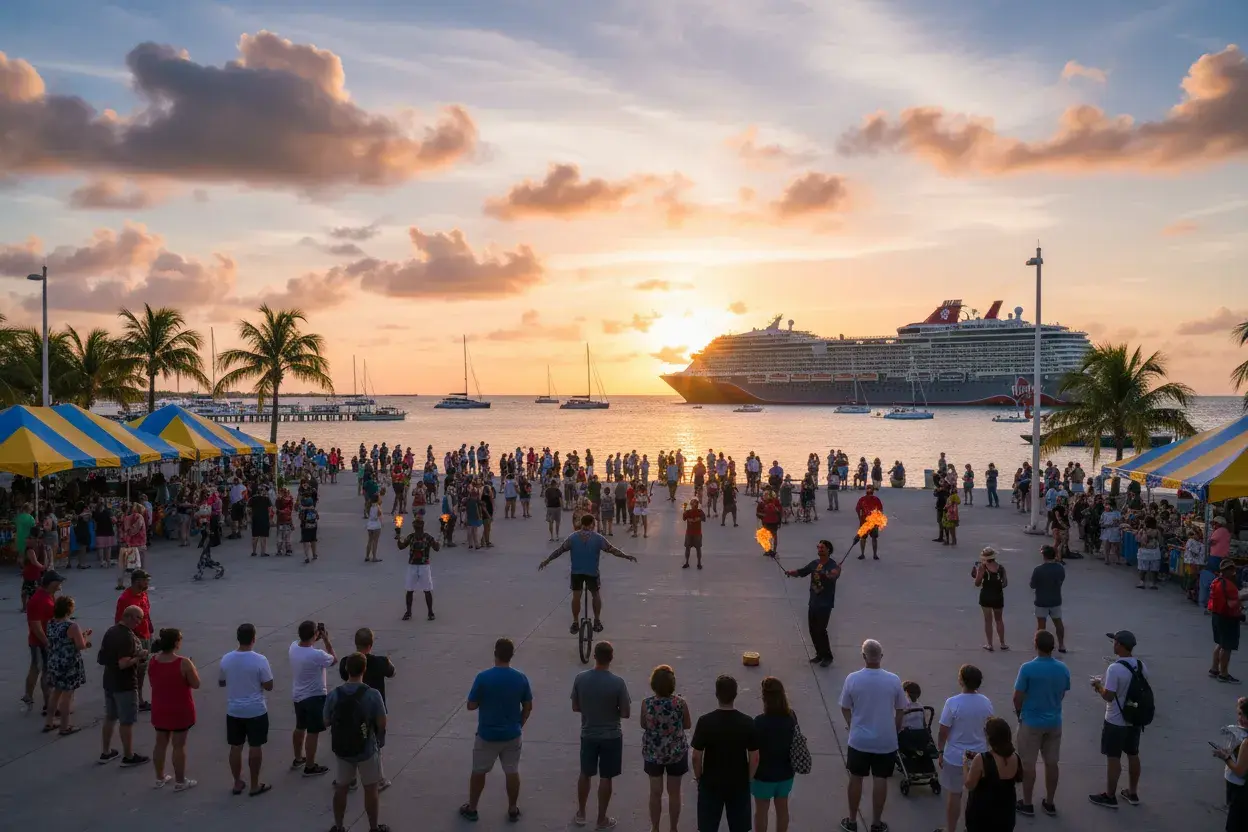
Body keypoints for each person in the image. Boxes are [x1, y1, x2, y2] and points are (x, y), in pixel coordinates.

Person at [837, 639, 907, 832]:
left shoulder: (853, 678)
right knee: (880, 778)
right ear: (881, 657)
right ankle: (876, 822)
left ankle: (852, 820)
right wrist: (895, 728)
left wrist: (853, 726)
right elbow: (900, 709)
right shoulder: (893, 679)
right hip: (885, 741)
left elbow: (845, 707)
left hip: (859, 740)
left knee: (856, 777)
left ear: (863, 656)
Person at [461, 638, 532, 823]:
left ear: (495, 654)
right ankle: (512, 808)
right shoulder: (520, 678)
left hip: (487, 735)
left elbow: (471, 705)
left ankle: (473, 808)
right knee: (512, 771)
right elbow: (528, 705)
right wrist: (520, 723)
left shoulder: (483, 678)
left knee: (479, 771)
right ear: (511, 655)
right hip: (512, 734)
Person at [539, 514, 637, 634]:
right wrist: (626, 556)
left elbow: (559, 551)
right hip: (592, 572)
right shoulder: (598, 538)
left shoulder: (573, 537)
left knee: (576, 596)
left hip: (576, 572)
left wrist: (547, 560)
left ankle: (575, 622)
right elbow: (612, 550)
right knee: (595, 594)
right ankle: (597, 620)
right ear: (591, 524)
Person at [324, 653, 389, 832]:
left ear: (346, 670)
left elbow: (326, 721)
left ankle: (338, 826)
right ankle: (374, 828)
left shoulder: (334, 695)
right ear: (364, 670)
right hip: (367, 748)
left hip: (343, 750)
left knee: (341, 788)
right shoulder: (372, 694)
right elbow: (382, 723)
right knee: (371, 789)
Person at [571, 641, 631, 828]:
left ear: (594, 656)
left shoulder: (580, 678)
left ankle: (581, 813)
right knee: (606, 777)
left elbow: (575, 706)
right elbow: (625, 713)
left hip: (588, 733)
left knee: (585, 773)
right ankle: (601, 818)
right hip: (611, 735)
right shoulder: (618, 683)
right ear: (611, 658)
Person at [692, 674, 759, 832]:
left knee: (708, 827)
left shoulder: (705, 721)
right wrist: (748, 779)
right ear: (735, 695)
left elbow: (696, 756)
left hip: (711, 782)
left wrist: (699, 777)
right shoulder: (747, 722)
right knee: (739, 827)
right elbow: (755, 757)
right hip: (738, 782)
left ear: (716, 695)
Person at [1013, 630, 1069, 817]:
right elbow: (1062, 693)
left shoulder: (1027, 668)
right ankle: (1050, 802)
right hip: (1054, 721)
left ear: (1035, 644)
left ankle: (1027, 803)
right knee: (1052, 763)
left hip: (1031, 721)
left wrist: (1020, 713)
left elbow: (1017, 696)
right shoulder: (1062, 668)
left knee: (1028, 764)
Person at [1089, 630, 1147, 809]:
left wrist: (1098, 686)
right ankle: (1133, 792)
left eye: (1114, 642)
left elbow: (1109, 696)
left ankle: (1110, 795)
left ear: (1120, 645)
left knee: (1113, 758)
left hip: (1115, 720)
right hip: (1134, 719)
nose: (1113, 645)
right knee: (1133, 754)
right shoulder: (1141, 665)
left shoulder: (1114, 669)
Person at [937, 664, 994, 832]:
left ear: (961, 681)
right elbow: (989, 728)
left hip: (955, 756)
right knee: (976, 796)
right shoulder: (986, 702)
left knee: (954, 795)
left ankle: (951, 829)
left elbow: (943, 731)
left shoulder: (953, 703)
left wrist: (940, 751)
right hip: (979, 757)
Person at [220, 622, 274, 796]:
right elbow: (269, 685)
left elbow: (222, 681)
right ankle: (255, 784)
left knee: (235, 746)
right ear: (254, 638)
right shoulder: (260, 659)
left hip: (234, 709)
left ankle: (237, 782)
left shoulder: (226, 658)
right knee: (255, 745)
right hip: (255, 709)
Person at [149, 627, 201, 791]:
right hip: (180, 708)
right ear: (176, 642)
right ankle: (180, 781)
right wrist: (193, 667)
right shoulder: (184, 662)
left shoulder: (153, 660)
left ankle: (159, 777)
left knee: (160, 743)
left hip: (160, 707)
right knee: (179, 746)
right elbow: (196, 684)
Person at [641, 664, 691, 832]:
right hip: (676, 752)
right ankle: (673, 828)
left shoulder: (646, 704)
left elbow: (643, 724)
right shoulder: (680, 703)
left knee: (655, 792)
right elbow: (687, 725)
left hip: (653, 753)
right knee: (674, 793)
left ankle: (655, 828)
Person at [99, 604, 150, 767]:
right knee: (126, 721)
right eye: (138, 618)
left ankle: (106, 752)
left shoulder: (111, 631)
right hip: (125, 684)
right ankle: (128, 756)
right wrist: (139, 656)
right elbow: (123, 663)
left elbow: (103, 657)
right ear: (128, 617)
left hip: (109, 681)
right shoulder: (126, 636)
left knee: (110, 717)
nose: (140, 622)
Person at [289, 620, 336, 777]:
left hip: (298, 695)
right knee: (313, 731)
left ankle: (298, 758)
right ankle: (310, 765)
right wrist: (326, 640)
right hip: (314, 696)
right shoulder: (317, 655)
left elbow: (306, 643)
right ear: (315, 634)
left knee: (300, 727)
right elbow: (333, 659)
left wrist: (315, 636)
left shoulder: (293, 647)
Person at [784, 540, 840, 667]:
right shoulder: (815, 563)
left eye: (822, 548)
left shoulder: (833, 565)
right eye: (819, 547)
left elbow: (834, 576)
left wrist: (828, 574)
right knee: (812, 630)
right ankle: (819, 654)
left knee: (821, 629)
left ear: (828, 550)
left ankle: (827, 656)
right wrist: (790, 572)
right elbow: (802, 571)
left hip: (825, 603)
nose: (819, 549)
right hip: (813, 602)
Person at [753, 677, 798, 832]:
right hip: (786, 773)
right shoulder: (791, 717)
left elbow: (754, 753)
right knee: (782, 808)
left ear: (765, 698)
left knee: (761, 811)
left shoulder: (759, 722)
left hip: (763, 775)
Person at [963, 717, 1023, 831]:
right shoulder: (1015, 757)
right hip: (1006, 813)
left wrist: (965, 765)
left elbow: (969, 784)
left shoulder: (981, 759)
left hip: (982, 815)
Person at [43, 593, 89, 735]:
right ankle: (64, 726)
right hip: (69, 664)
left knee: (56, 693)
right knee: (67, 695)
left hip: (54, 662)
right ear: (69, 610)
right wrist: (85, 637)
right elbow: (81, 646)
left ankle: (49, 722)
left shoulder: (51, 623)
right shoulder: (72, 626)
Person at [115, 569, 154, 711]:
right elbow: (119, 621)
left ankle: (138, 698)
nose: (147, 583)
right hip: (134, 638)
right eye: (145, 580)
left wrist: (150, 631)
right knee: (134, 671)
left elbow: (147, 615)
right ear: (137, 581)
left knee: (142, 670)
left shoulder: (143, 594)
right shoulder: (125, 599)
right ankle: (136, 700)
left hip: (146, 636)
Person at [24, 569, 61, 715]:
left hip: (46, 639)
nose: (60, 584)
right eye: (58, 582)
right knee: (40, 669)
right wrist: (47, 643)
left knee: (43, 669)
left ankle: (38, 699)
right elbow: (35, 625)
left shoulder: (49, 595)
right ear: (51, 583)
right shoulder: (37, 600)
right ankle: (38, 700)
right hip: (40, 641)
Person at [1212, 696, 1248, 832]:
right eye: (1239, 714)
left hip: (1241, 791)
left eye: (1243, 715)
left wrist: (1225, 758)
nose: (1241, 719)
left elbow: (1240, 771)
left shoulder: (1247, 742)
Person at [399, 509, 441, 621]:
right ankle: (410, 612)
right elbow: (401, 546)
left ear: (421, 526)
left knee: (424, 590)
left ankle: (429, 612)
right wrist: (398, 535)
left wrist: (438, 539)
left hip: (422, 566)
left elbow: (436, 548)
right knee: (411, 590)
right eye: (416, 525)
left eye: (418, 525)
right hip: (416, 565)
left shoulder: (422, 537)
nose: (417, 527)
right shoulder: (415, 537)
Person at [1209, 560, 1243, 683]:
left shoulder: (1216, 582)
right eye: (1231, 570)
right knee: (1227, 647)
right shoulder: (1229, 586)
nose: (1234, 572)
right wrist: (1241, 600)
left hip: (1216, 615)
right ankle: (1223, 673)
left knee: (1219, 643)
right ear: (1227, 571)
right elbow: (1232, 604)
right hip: (1227, 618)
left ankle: (1214, 669)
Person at [1031, 545, 1067, 653]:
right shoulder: (1060, 568)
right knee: (1058, 622)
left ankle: (1041, 646)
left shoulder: (1038, 569)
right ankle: (1061, 644)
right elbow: (1061, 580)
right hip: (1055, 599)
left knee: (1041, 626)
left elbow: (1032, 585)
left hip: (1041, 600)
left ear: (1044, 556)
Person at [972, 548, 1008, 652]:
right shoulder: (1001, 568)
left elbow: (977, 583)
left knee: (988, 621)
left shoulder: (983, 568)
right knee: (999, 620)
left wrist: (977, 574)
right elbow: (1005, 583)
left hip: (986, 597)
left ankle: (990, 644)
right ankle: (1002, 643)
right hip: (998, 597)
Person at [854, 485, 883, 560]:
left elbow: (857, 509)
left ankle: (864, 554)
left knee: (866, 538)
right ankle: (873, 555)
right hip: (869, 522)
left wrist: (860, 519)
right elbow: (880, 511)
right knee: (871, 538)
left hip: (868, 522)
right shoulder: (875, 499)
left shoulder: (863, 499)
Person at [1135, 515, 1163, 590]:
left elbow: (1137, 540)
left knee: (1142, 568)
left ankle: (1142, 582)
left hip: (1144, 551)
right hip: (1154, 552)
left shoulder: (1142, 530)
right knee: (1154, 569)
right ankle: (1152, 583)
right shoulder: (1157, 531)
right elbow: (1160, 542)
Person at [249, 484, 273, 556]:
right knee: (263, 537)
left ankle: (254, 552)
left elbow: (248, 509)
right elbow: (270, 510)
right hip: (264, 519)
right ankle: (263, 552)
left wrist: (250, 517)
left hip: (255, 519)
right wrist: (270, 518)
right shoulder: (266, 499)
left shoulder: (252, 499)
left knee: (255, 536)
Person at [682, 498, 707, 569]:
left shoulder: (699, 512)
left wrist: (697, 519)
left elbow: (703, 518)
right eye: (693, 504)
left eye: (695, 504)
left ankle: (698, 563)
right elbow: (684, 517)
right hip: (691, 533)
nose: (694, 505)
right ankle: (689, 562)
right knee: (689, 548)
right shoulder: (689, 512)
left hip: (695, 533)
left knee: (697, 548)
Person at [300, 497, 320, 564]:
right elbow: (318, 517)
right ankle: (314, 554)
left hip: (305, 527)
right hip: (313, 527)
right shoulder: (313, 510)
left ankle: (307, 557)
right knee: (313, 541)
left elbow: (301, 518)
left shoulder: (303, 510)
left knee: (305, 542)